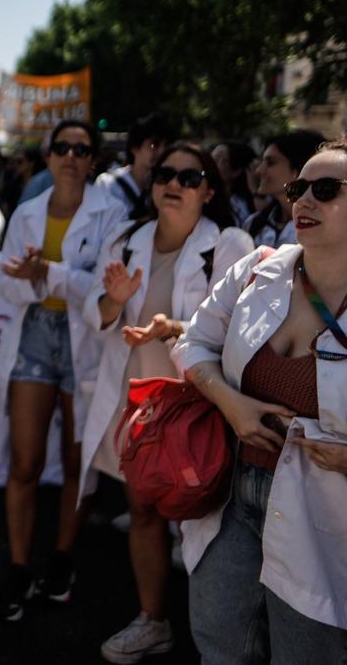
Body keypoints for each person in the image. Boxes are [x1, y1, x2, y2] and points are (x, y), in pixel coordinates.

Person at [173, 137, 347, 663]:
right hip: (231, 499)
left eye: (325, 189)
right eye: (299, 188)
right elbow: (192, 344)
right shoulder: (259, 267)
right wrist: (230, 403)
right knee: (220, 645)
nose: (303, 201)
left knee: (307, 653)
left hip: (325, 517)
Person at [80, 144, 252, 663]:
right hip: (140, 404)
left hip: (200, 406)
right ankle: (154, 620)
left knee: (208, 516)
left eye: (188, 175)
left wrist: (175, 329)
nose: (172, 183)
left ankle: (223, 638)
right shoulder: (125, 238)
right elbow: (96, 312)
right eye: (163, 174)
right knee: (144, 507)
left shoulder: (228, 244)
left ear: (209, 190)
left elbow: (244, 331)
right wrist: (115, 297)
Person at [0, 119, 125, 621]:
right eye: (62, 147)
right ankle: (20, 565)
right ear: (49, 157)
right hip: (35, 337)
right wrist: (32, 280)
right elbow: (5, 286)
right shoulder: (25, 214)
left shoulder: (113, 214)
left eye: (81, 148)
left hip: (84, 340)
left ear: (93, 160)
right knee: (24, 461)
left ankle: (63, 556)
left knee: (75, 460)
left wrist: (48, 273)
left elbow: (105, 288)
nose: (70, 155)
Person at [245, 129, 325, 247]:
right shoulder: (255, 223)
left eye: (271, 163)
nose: (259, 170)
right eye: (262, 162)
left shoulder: (324, 224)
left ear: (299, 170)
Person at [211, 140, 256, 227]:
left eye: (223, 161)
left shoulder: (242, 203)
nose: (213, 164)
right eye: (212, 158)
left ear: (236, 171)